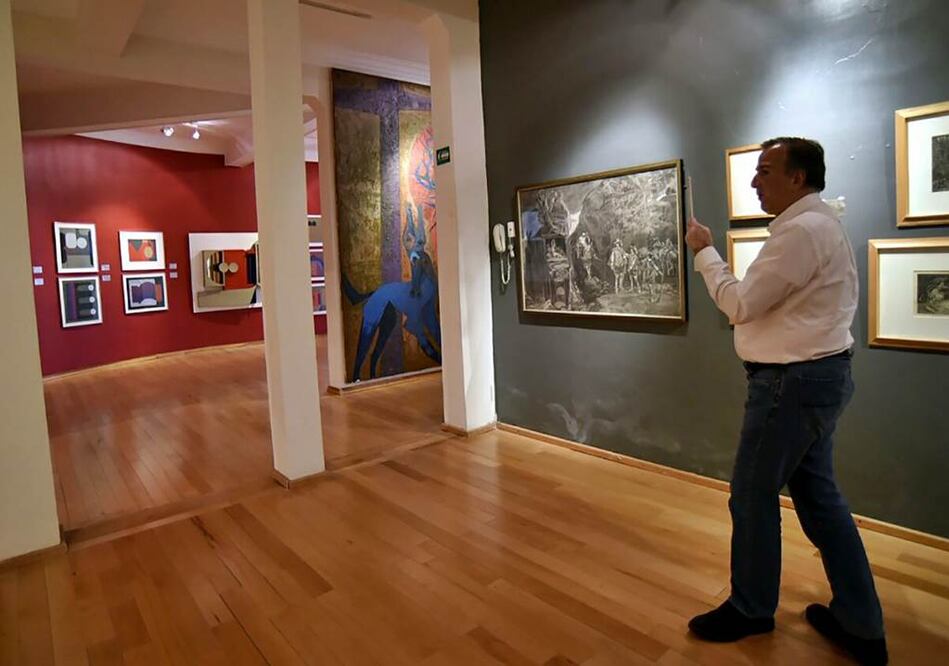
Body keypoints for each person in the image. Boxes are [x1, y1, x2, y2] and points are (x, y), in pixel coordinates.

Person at [683, 137, 887, 665]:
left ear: (798, 179)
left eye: (766, 171)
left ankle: (751, 608)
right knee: (820, 501)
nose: (755, 182)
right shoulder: (818, 227)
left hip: (790, 385)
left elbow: (741, 304)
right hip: (816, 379)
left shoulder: (800, 233)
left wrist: (705, 251)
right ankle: (860, 622)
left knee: (750, 494)